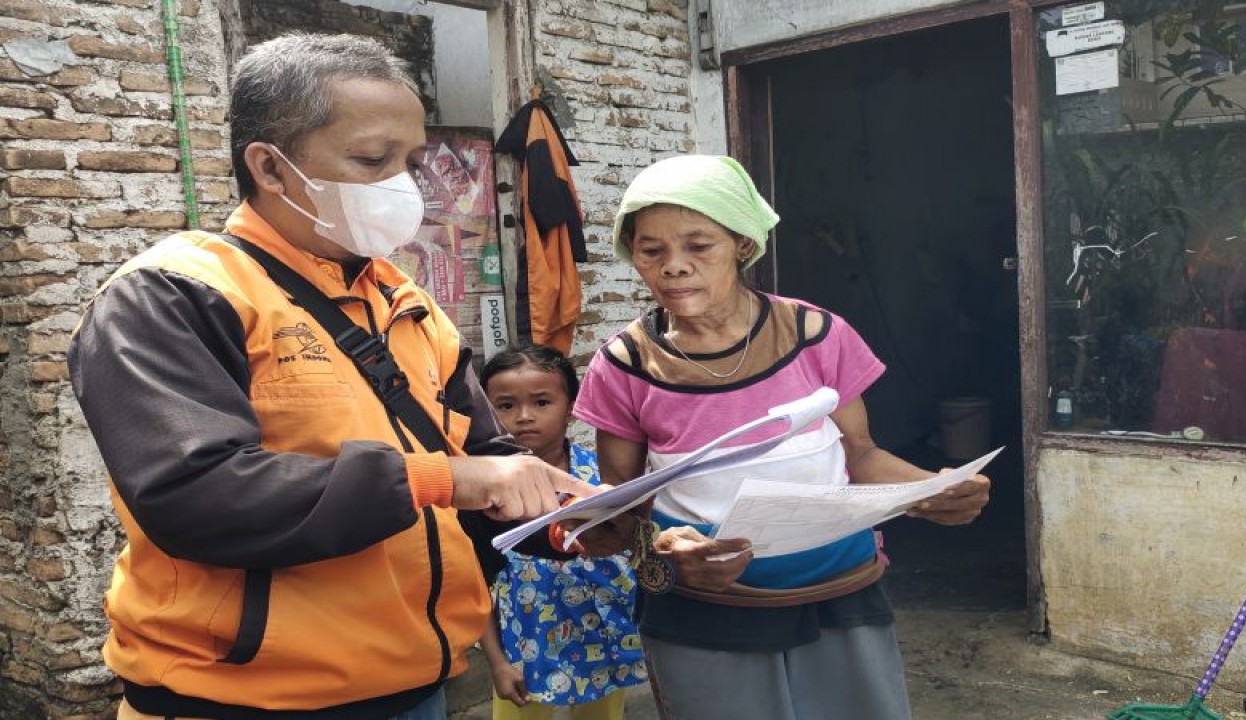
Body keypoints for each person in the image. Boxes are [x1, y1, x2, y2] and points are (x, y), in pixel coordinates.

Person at [67, 34, 597, 720]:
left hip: (417, 688)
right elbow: (194, 496)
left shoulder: (407, 303)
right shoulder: (176, 294)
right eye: (373, 160)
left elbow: (486, 464)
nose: (405, 186)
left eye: (411, 162)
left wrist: (584, 520)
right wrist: (441, 479)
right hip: (240, 700)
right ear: (272, 167)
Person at [571, 155, 992, 720]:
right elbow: (618, 512)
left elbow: (860, 455)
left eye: (699, 246)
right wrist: (668, 550)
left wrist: (933, 489)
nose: (674, 266)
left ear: (743, 244)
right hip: (705, 607)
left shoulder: (814, 334)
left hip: (842, 593)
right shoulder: (624, 364)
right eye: (651, 250)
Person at [477, 346, 646, 720]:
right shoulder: (483, 493)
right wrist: (496, 663)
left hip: (603, 646)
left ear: (570, 407)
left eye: (541, 402)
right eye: (505, 406)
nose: (524, 417)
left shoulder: (601, 482)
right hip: (523, 652)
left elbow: (634, 552)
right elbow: (471, 583)